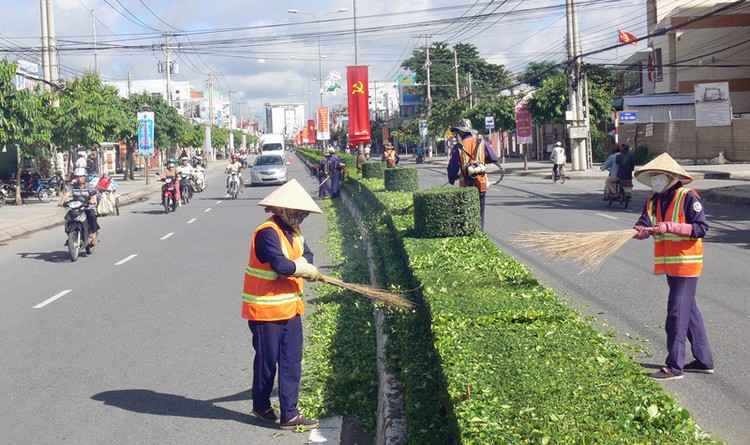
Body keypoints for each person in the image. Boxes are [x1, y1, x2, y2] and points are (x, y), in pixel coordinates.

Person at [242, 179, 322, 430]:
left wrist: (302, 265)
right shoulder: (267, 232)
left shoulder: (294, 231)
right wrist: (301, 267)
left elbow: (307, 255)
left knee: (291, 360)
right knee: (267, 362)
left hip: (291, 309)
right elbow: (280, 265)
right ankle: (261, 404)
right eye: (298, 212)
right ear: (283, 209)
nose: (302, 216)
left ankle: (290, 414)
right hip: (265, 310)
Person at [631, 153, 714, 380]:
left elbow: (701, 228)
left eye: (660, 176)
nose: (656, 179)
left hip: (687, 265)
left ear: (671, 176)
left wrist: (669, 226)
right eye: (653, 176)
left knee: (676, 315)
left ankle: (674, 367)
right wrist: (640, 231)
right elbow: (645, 222)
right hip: (670, 265)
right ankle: (704, 360)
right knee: (690, 312)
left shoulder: (688, 197)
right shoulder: (654, 200)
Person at [447, 119, 499, 230]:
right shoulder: (482, 143)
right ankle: (479, 233)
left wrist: (452, 179)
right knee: (480, 212)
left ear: (461, 132)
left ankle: (468, 233)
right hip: (481, 185)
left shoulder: (458, 147)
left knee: (465, 212)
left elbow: (452, 169)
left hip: (465, 186)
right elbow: (494, 158)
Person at [58, 167, 100, 245]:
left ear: (85, 177)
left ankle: (94, 236)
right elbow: (67, 194)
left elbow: (92, 195)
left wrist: (92, 200)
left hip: (87, 206)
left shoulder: (89, 186)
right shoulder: (72, 186)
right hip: (76, 207)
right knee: (68, 217)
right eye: (77, 177)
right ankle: (71, 235)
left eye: (81, 176)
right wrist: (62, 202)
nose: (79, 178)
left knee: (92, 215)